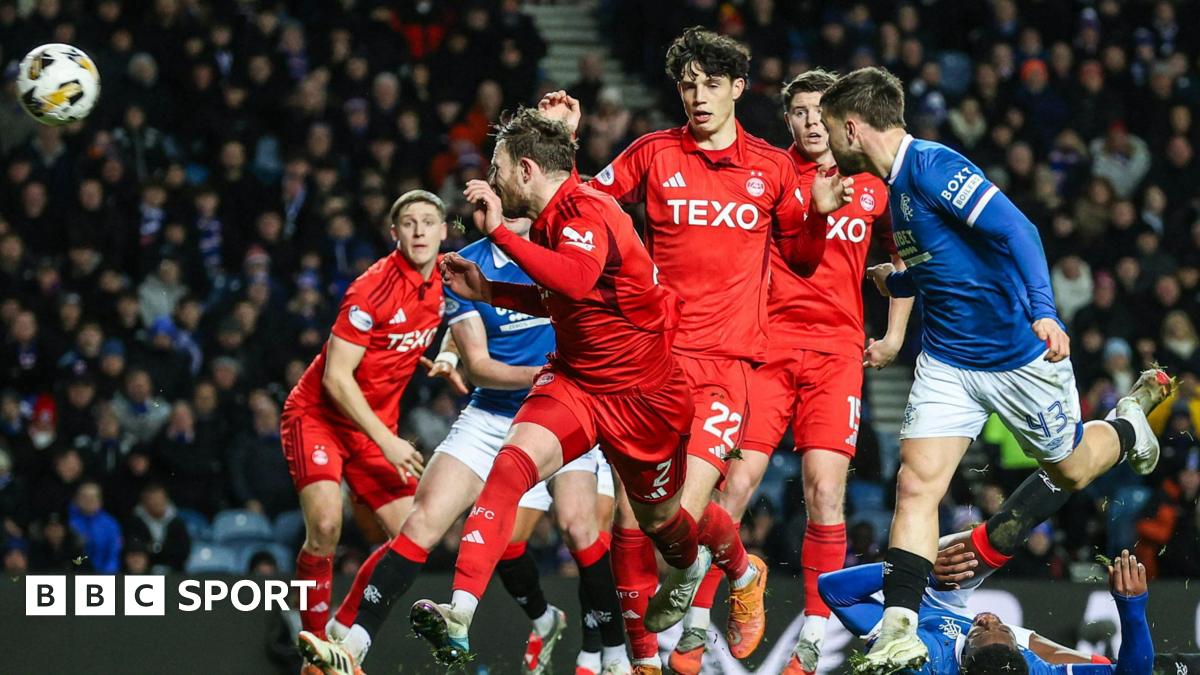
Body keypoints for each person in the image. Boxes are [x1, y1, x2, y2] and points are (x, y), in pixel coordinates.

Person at [298, 108, 702, 675]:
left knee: (654, 524)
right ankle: (414, 626)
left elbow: (576, 274)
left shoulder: (562, 221)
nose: (488, 182)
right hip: (564, 389)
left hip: (640, 393)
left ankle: (692, 578)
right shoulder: (489, 251)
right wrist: (488, 289)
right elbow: (503, 343)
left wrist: (506, 230)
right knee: (477, 494)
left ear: (525, 170)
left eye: (498, 170)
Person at [815, 67, 1162, 673]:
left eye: (827, 129)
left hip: (1015, 359)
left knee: (1074, 467)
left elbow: (1017, 229)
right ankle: (899, 626)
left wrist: (1047, 314)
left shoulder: (930, 166)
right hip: (949, 360)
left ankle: (1129, 422)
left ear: (851, 126)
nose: (825, 143)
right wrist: (897, 279)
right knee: (916, 485)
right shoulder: (897, 191)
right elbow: (949, 267)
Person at [539, 28, 838, 672]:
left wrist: (816, 213)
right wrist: (558, 140)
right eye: (687, 84)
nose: (697, 97)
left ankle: (733, 572)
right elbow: (577, 205)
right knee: (630, 519)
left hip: (726, 368)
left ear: (737, 88)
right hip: (651, 364)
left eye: (710, 83)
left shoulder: (773, 168)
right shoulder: (651, 153)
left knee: (678, 512)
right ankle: (649, 653)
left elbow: (806, 257)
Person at [674, 68, 913, 675]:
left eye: (819, 111)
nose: (810, 122)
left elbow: (903, 260)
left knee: (825, 491)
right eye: (799, 112)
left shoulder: (872, 184)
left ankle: (812, 636)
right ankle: (698, 623)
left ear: (838, 118)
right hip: (763, 351)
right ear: (786, 120)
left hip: (835, 357)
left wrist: (892, 335)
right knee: (730, 488)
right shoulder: (769, 176)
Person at [316, 215, 628, 675]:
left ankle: (608, 657)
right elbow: (479, 366)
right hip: (494, 414)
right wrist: (547, 370)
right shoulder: (465, 265)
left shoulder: (566, 249)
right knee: (427, 522)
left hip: (568, 409)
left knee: (581, 530)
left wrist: (569, 378)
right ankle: (354, 646)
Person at [280, 189, 446, 653]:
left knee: (416, 534)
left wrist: (443, 356)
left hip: (372, 425)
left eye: (428, 222)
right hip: (320, 417)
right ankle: (312, 645)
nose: (419, 231)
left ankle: (339, 631)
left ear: (443, 230)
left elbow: (434, 328)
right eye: (408, 223)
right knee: (328, 527)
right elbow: (336, 377)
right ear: (394, 234)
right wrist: (388, 442)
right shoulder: (369, 288)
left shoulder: (445, 281)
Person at [821, 547, 1154, 675]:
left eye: (980, 630)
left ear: (964, 662)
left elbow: (835, 591)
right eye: (1003, 630)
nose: (990, 618)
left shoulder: (923, 661)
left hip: (928, 613)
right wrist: (1133, 609)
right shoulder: (1034, 672)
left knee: (963, 546)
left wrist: (916, 569)